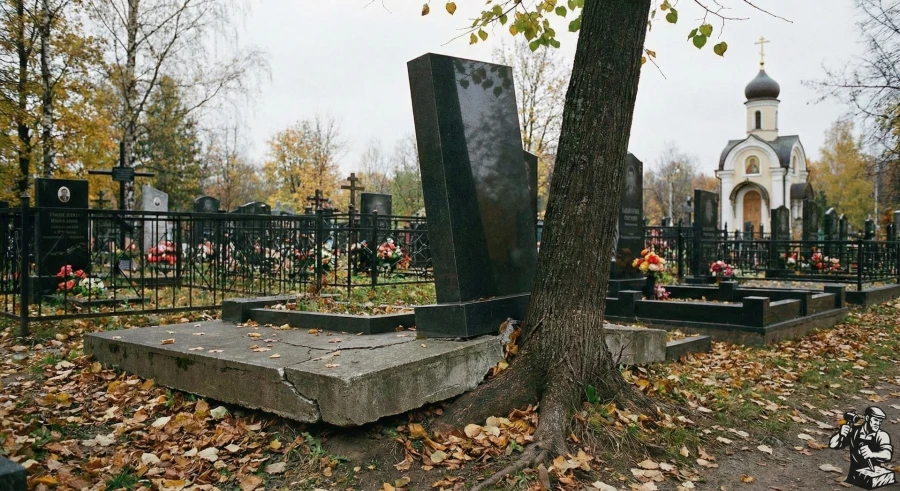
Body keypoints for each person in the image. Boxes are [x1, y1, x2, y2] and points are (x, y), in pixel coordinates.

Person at [829, 407, 893, 488]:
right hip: (854, 475)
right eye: (875, 420)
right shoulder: (855, 431)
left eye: (880, 421)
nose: (878, 423)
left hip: (873, 475)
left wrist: (872, 454)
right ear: (867, 418)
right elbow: (833, 445)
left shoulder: (882, 435)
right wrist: (840, 434)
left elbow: (887, 455)